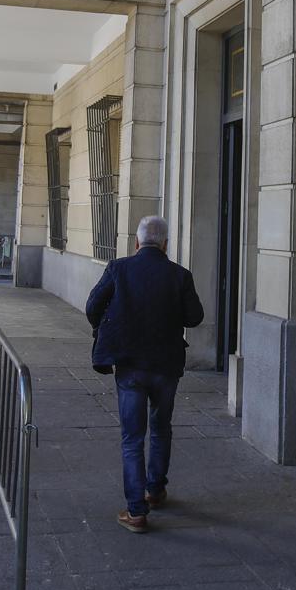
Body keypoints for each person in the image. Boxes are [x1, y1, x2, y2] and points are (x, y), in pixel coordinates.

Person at [85, 215, 204, 534]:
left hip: (130, 364)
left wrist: (105, 327)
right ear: (165, 244)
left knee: (132, 437)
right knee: (161, 428)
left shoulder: (118, 268)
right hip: (166, 365)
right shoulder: (180, 275)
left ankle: (136, 512)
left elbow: (92, 306)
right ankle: (155, 490)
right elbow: (195, 317)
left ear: (137, 242)